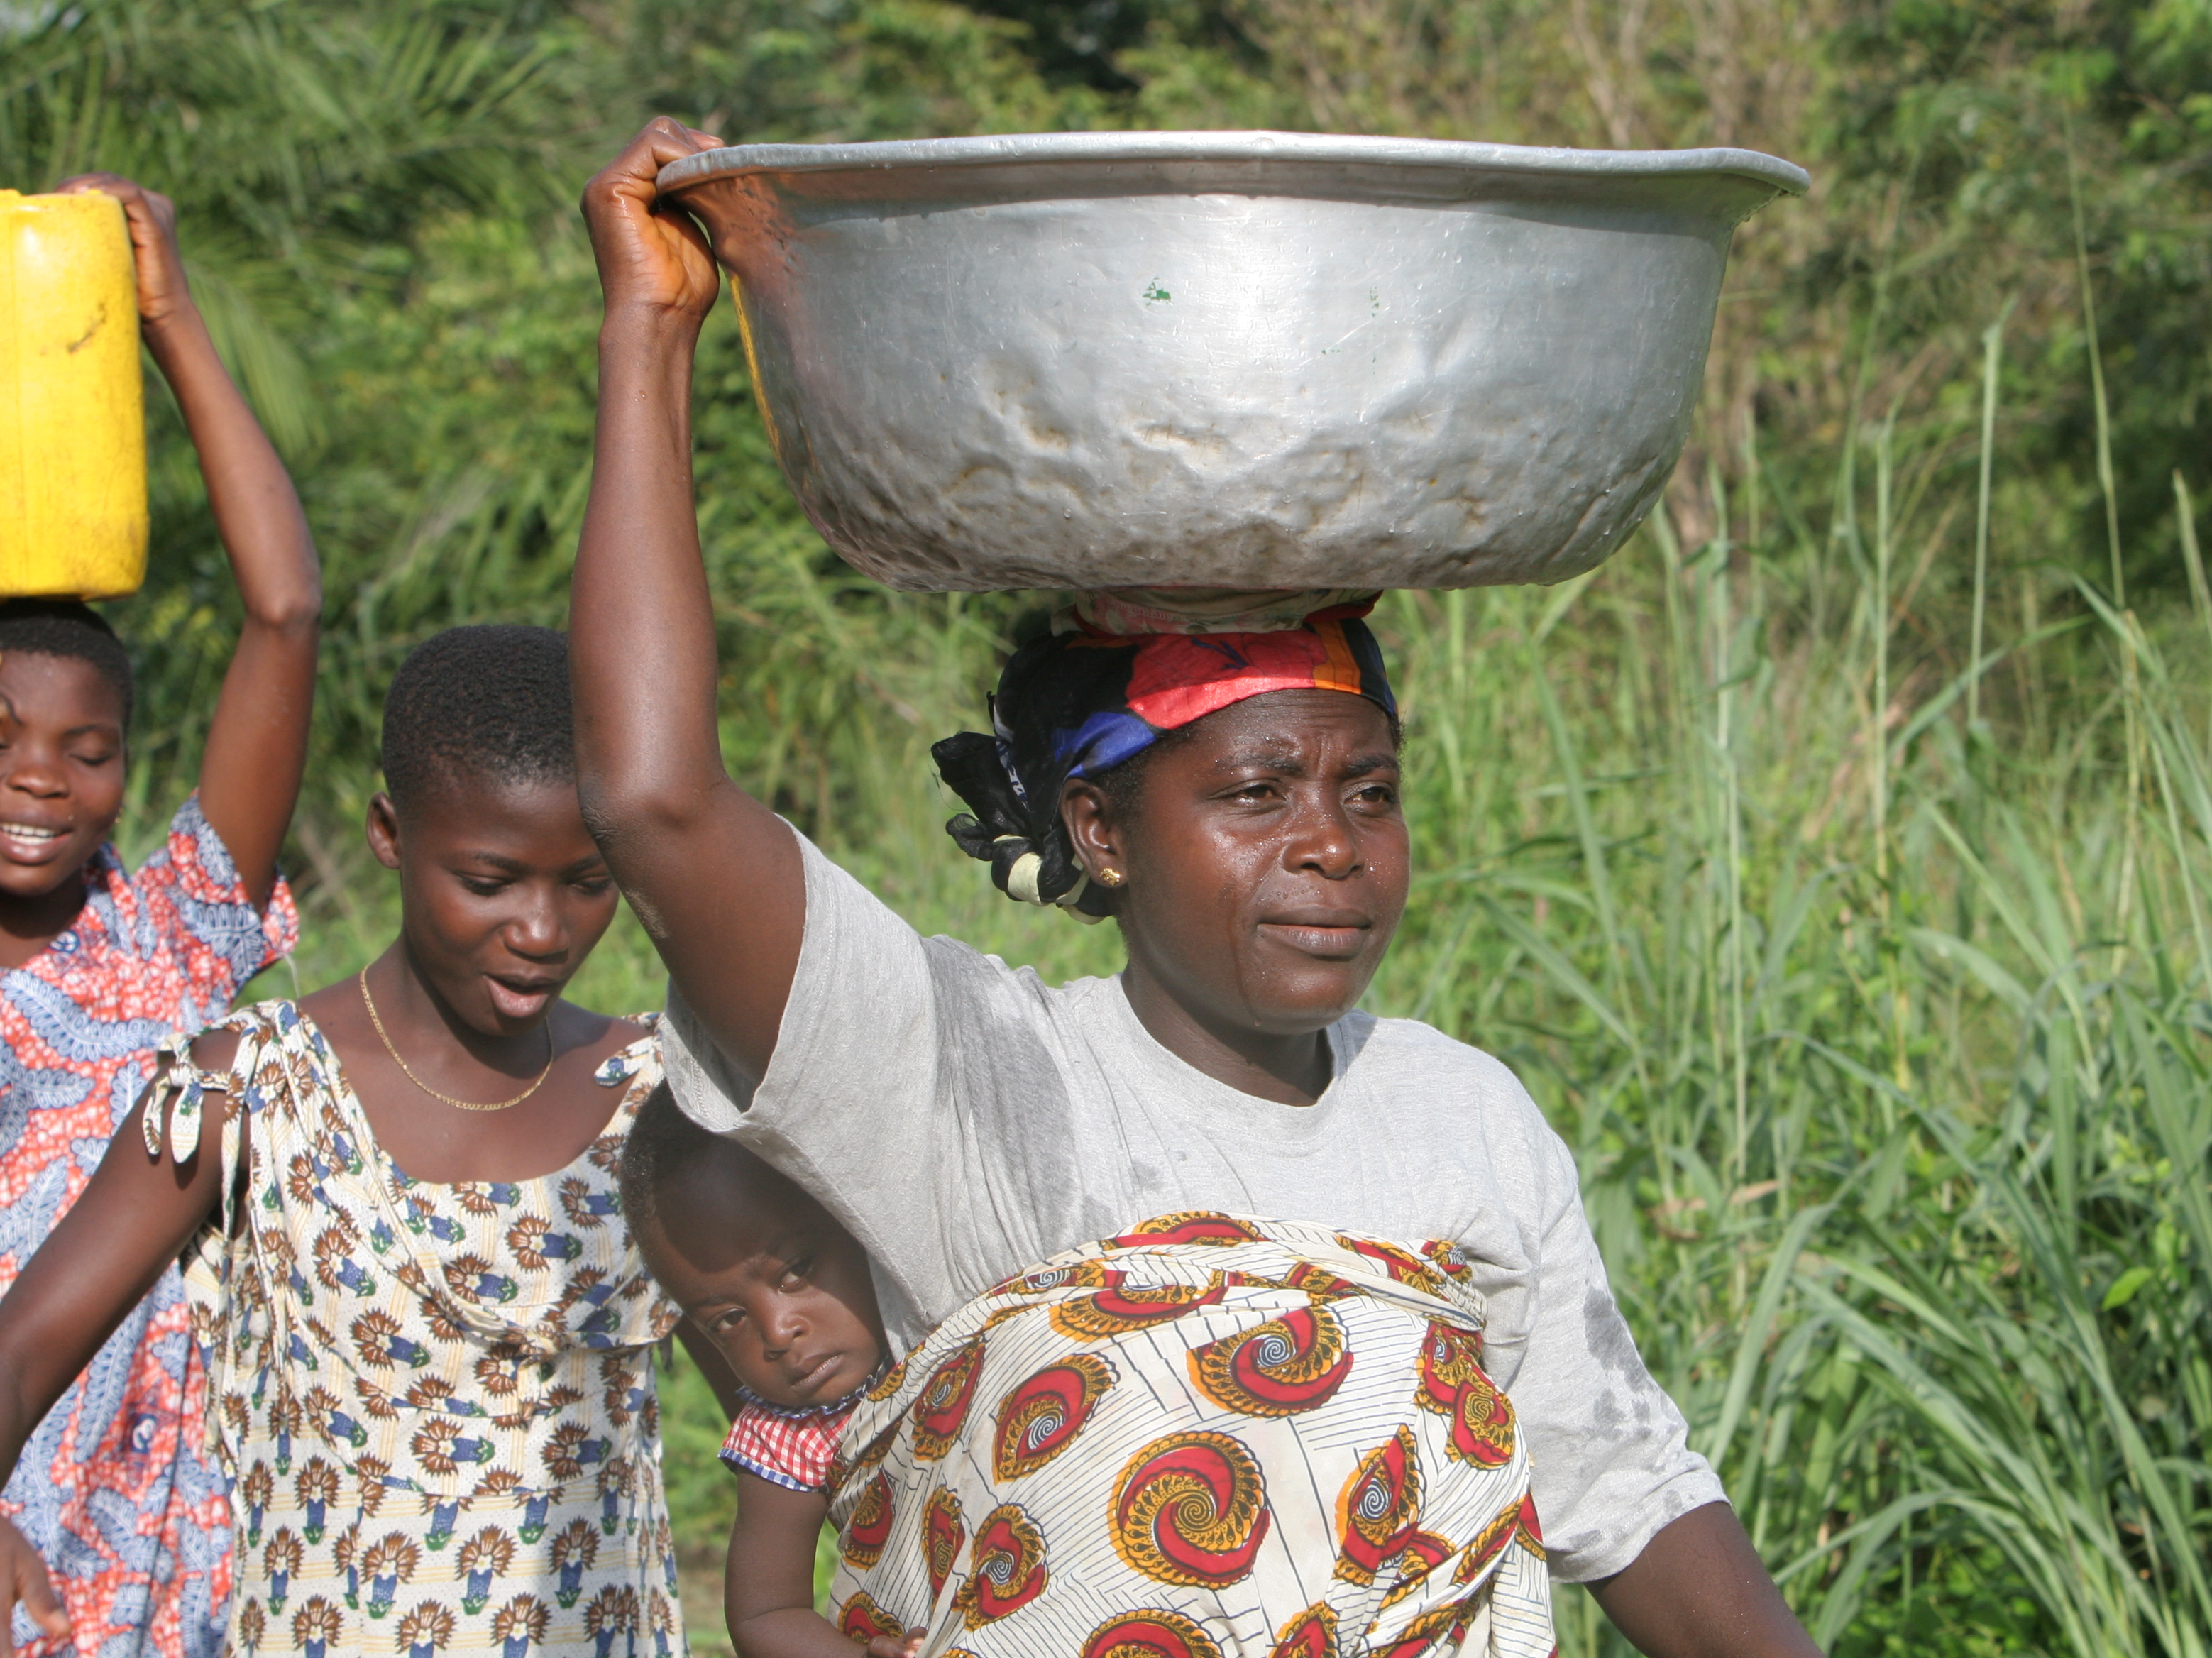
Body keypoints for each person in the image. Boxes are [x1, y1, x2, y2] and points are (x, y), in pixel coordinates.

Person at [573, 118, 1826, 1658]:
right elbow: (655, 805)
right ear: (1099, 829)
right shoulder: (968, 1080)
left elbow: (1621, 1487)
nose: (1332, 844)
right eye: (1254, 792)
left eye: (1370, 789)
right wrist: (652, 331)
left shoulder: (1464, 1120)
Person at [0, 626, 704, 1658]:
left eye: (587, 883)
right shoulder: (246, 1087)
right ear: (389, 832)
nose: (543, 930)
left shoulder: (650, 1097)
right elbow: (20, 1350)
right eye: (491, 879)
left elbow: (786, 1391)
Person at [0, 173, 320, 1658]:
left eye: (86, 747)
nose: (40, 780)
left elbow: (285, 616)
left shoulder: (172, 934)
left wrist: (171, 314)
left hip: (178, 1524)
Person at [617, 1088, 923, 1658]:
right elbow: (765, 1613)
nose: (778, 1333)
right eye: (729, 1319)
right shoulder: (789, 1436)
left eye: (795, 1272)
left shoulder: (949, 1316)